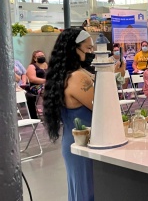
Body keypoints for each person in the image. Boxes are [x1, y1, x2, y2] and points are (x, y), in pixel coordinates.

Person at [43, 29, 96, 201]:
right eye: (88, 49)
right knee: (87, 192)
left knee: (79, 191)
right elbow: (102, 108)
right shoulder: (78, 78)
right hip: (85, 145)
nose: (91, 53)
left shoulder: (64, 76)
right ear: (74, 48)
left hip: (73, 141)